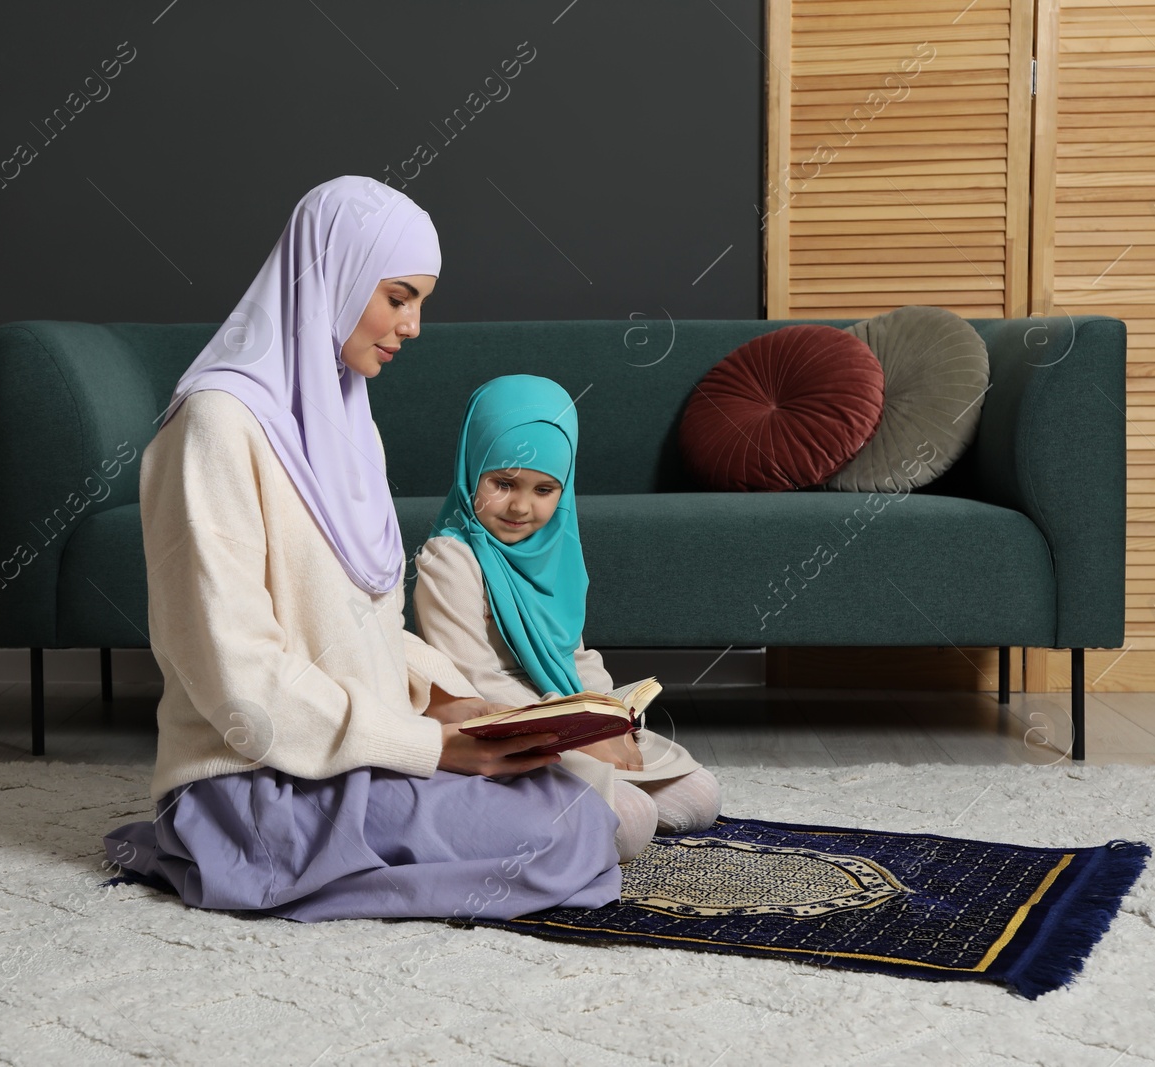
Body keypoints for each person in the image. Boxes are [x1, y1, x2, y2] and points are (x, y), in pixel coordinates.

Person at [102, 177, 621, 922]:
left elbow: (360, 619)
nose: (411, 326)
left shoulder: (345, 416)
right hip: (256, 778)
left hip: (353, 753)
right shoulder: (214, 429)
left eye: (420, 304)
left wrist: (454, 703)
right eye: (399, 296)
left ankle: (327, 857)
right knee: (566, 834)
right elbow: (237, 681)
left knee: (564, 798)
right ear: (333, 276)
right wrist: (427, 747)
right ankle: (233, 857)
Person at [412, 375, 723, 863]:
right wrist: (574, 727)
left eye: (544, 489)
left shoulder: (557, 552)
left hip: (568, 713)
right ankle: (509, 811)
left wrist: (610, 716)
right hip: (504, 723)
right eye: (502, 483)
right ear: (471, 472)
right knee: (631, 823)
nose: (520, 506)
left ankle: (583, 795)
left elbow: (574, 655)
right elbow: (472, 679)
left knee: (703, 798)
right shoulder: (448, 558)